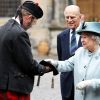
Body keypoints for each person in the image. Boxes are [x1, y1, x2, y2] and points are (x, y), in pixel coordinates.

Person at [0, 1, 52, 100]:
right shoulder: (19, 34)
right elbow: (28, 65)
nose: (32, 25)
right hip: (14, 90)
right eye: (33, 21)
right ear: (29, 17)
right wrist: (46, 68)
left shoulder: (2, 29)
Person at [44, 21, 100, 100]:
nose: (82, 40)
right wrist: (54, 63)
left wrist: (90, 83)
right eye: (81, 37)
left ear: (95, 38)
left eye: (85, 37)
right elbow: (68, 64)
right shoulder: (80, 51)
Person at [57, 5, 82, 100]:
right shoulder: (61, 36)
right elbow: (61, 59)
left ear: (79, 17)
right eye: (67, 17)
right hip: (66, 82)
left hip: (83, 82)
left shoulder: (87, 35)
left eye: (72, 17)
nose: (69, 20)